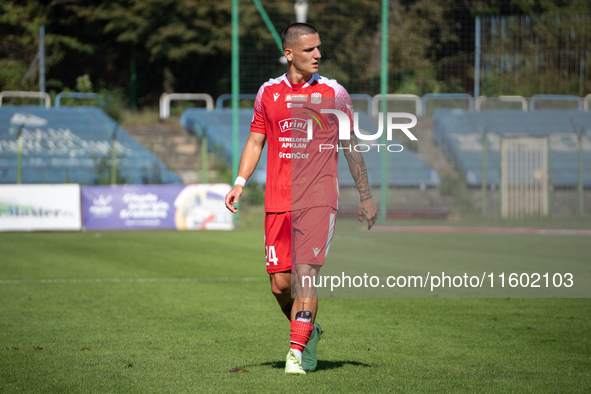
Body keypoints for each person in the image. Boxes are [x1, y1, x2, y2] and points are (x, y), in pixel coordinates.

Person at [225, 23, 377, 375]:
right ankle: (308, 331)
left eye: (319, 48)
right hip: (278, 199)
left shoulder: (334, 93)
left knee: (305, 274)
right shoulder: (268, 92)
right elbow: (255, 141)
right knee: (280, 284)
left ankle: (297, 353)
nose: (318, 55)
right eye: (309, 50)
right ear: (289, 53)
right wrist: (239, 182)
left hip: (319, 197)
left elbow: (349, 145)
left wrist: (366, 196)